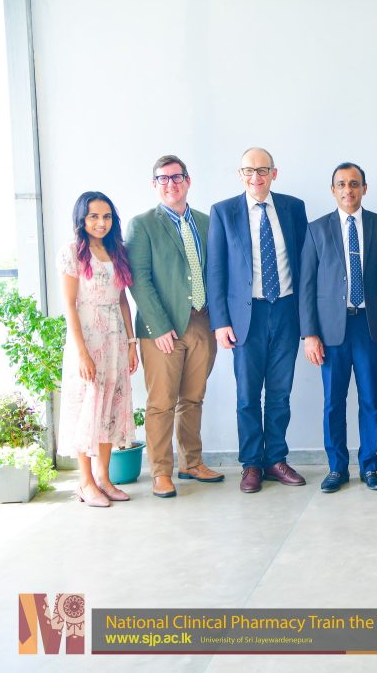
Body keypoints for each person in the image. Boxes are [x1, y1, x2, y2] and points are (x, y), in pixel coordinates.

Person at [205, 147, 308, 494]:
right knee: (248, 395)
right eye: (249, 171)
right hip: (245, 316)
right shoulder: (224, 212)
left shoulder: (293, 208)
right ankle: (251, 463)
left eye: (263, 170)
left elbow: (305, 265)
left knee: (280, 393)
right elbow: (215, 270)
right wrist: (220, 322)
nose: (256, 177)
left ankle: (275, 460)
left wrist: (308, 319)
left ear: (274, 174)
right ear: (240, 175)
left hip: (287, 311)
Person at [127, 155, 223, 499]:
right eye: (163, 178)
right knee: (161, 403)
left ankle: (191, 463)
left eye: (177, 177)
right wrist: (159, 326)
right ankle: (160, 472)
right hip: (162, 329)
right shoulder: (142, 225)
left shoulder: (208, 222)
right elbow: (139, 279)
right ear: (154, 184)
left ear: (188, 181)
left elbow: (218, 272)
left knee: (193, 398)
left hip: (202, 322)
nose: (171, 184)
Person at [300, 162, 377, 493]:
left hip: (370, 327)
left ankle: (370, 466)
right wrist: (309, 334)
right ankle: (337, 468)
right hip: (331, 331)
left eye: (354, 184)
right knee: (333, 402)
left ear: (364, 189)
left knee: (371, 400)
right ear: (333, 190)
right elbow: (307, 284)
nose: (348, 190)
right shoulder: (317, 229)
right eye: (341, 184)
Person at [57, 191, 138, 507]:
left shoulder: (116, 251)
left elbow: (123, 301)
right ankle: (85, 482)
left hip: (115, 338)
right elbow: (69, 305)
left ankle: (104, 478)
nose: (101, 223)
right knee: (87, 407)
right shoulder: (72, 253)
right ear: (82, 219)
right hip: (88, 338)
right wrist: (82, 353)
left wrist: (131, 344)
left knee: (110, 409)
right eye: (93, 216)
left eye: (106, 216)